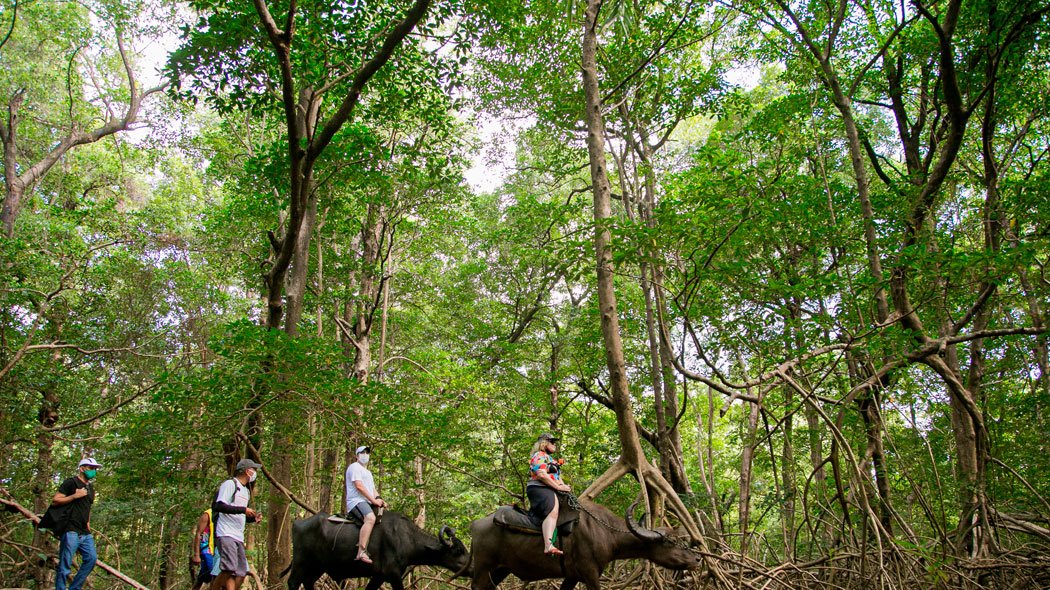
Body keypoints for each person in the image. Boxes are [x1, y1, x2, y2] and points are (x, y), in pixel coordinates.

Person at [210, 458, 262, 590]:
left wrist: (252, 518)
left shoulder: (245, 491)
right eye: (254, 470)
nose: (255, 472)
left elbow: (240, 515)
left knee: (242, 571)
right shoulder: (230, 484)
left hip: (238, 536)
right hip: (225, 533)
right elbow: (219, 505)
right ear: (247, 471)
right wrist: (243, 510)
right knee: (229, 567)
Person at [52, 457, 101, 590]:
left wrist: (88, 524)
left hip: (84, 532)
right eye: (91, 468)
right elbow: (56, 499)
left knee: (91, 559)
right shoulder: (71, 482)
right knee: (65, 565)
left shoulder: (91, 488)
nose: (94, 471)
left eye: (95, 469)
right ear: (82, 469)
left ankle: (75, 588)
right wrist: (74, 496)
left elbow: (87, 508)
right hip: (70, 529)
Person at [528, 433, 571, 556]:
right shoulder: (539, 455)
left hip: (550, 487)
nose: (554, 445)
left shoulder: (551, 459)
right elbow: (541, 474)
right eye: (552, 442)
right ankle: (548, 545)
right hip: (538, 487)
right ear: (544, 443)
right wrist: (558, 486)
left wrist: (564, 486)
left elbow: (556, 476)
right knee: (553, 511)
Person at [344, 445, 387, 565]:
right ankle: (361, 551)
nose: (365, 455)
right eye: (362, 453)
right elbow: (359, 486)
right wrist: (373, 501)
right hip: (356, 501)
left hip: (367, 501)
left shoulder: (368, 472)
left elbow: (372, 489)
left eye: (367, 453)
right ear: (357, 456)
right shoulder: (354, 467)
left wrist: (380, 499)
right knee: (370, 518)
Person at [189, 507, 216, 590]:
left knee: (203, 576)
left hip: (216, 550)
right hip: (206, 549)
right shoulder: (207, 514)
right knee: (213, 574)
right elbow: (198, 533)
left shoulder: (224, 514)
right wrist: (196, 554)